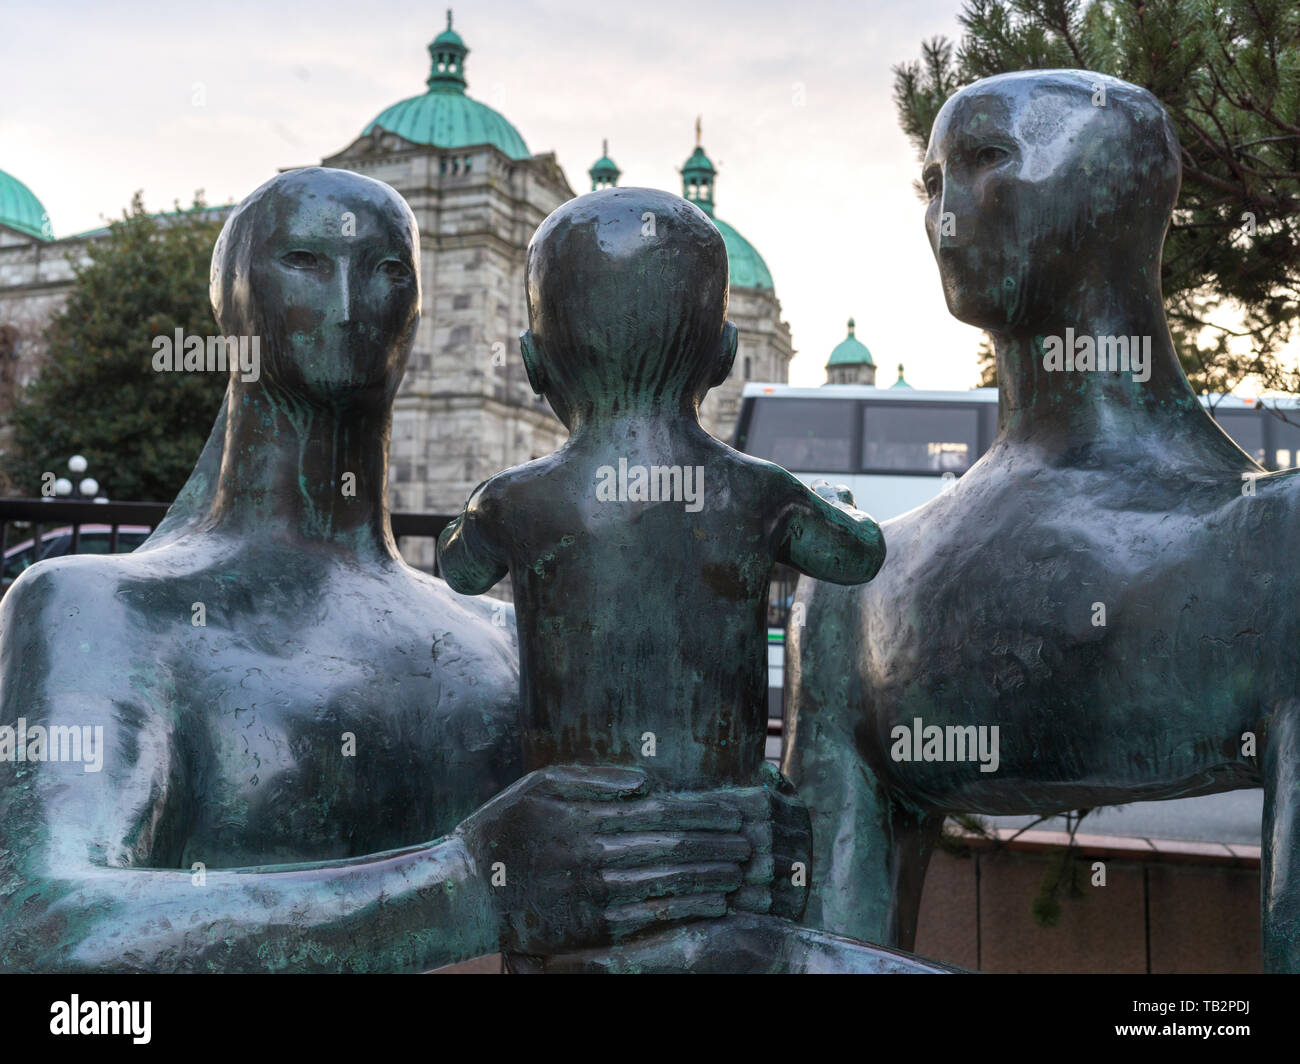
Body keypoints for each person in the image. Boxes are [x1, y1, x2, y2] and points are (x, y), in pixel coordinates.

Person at [0, 168, 767, 972]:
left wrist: (732, 845)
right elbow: (48, 932)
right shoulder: (98, 608)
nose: (346, 302)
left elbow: (638, 880)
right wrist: (470, 888)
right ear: (230, 301)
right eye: (304, 260)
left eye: (387, 270)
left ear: (417, 309)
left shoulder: (508, 636)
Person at [784, 71, 1300, 972]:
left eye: (986, 160)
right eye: (931, 181)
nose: (945, 212)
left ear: (1122, 191)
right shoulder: (858, 595)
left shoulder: (1275, 544)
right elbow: (830, 941)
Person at [436, 188, 948, 972]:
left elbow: (459, 567)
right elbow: (859, 554)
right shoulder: (759, 488)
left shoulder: (516, 498)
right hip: (728, 851)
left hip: (578, 860)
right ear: (722, 357)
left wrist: (470, 519)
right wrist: (832, 503)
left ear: (535, 363)